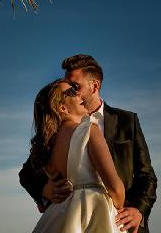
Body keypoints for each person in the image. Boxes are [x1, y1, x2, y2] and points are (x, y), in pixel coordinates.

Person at [19, 54, 157, 233]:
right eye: (69, 88)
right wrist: (44, 190)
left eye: (76, 86)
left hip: (119, 221)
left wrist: (139, 210)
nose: (74, 92)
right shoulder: (54, 132)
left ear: (95, 86)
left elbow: (146, 175)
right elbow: (27, 173)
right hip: (69, 218)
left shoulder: (126, 121)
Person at [30, 79, 125, 232]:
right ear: (62, 107)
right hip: (93, 213)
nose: (79, 94)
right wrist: (120, 205)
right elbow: (115, 188)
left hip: (56, 216)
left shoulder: (47, 147)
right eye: (72, 92)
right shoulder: (89, 130)